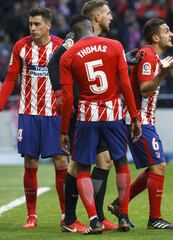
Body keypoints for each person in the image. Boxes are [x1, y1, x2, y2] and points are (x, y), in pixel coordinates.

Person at [48, 0, 141, 232]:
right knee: (78, 165)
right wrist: (62, 97)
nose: (112, 18)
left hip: (91, 112)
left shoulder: (104, 45)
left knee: (104, 160)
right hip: (80, 110)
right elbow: (53, 63)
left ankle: (97, 216)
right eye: (108, 14)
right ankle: (69, 219)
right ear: (96, 18)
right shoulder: (72, 38)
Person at [107, 18, 173, 230]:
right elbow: (146, 88)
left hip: (142, 119)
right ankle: (155, 219)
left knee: (153, 167)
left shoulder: (149, 55)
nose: (172, 34)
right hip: (139, 120)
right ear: (156, 37)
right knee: (159, 166)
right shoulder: (148, 55)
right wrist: (163, 73)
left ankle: (118, 204)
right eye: (167, 31)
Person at [0, 7, 67, 228]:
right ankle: (32, 215)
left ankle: (66, 213)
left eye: (37, 24)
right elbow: (10, 79)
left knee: (60, 161)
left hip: (54, 113)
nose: (33, 28)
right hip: (28, 112)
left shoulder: (60, 47)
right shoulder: (21, 46)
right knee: (30, 161)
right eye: (30, 24)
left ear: (49, 25)